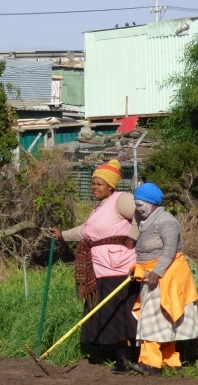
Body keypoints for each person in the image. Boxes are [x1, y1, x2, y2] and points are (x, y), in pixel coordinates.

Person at [49, 159, 140, 373]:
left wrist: (133, 237)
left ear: (111, 186)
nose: (94, 187)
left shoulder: (121, 199)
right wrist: (62, 235)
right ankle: (115, 353)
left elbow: (141, 213)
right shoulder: (99, 209)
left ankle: (125, 358)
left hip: (119, 266)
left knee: (119, 312)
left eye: (99, 184)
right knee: (108, 310)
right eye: (93, 183)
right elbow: (86, 231)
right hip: (102, 268)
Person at [129, 183, 198, 377]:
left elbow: (169, 250)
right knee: (161, 320)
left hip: (165, 276)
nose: (138, 208)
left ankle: (151, 363)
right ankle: (168, 359)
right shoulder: (145, 220)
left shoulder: (167, 221)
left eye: (141, 204)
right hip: (149, 274)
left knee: (154, 320)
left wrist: (156, 273)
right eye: (136, 204)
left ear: (151, 203)